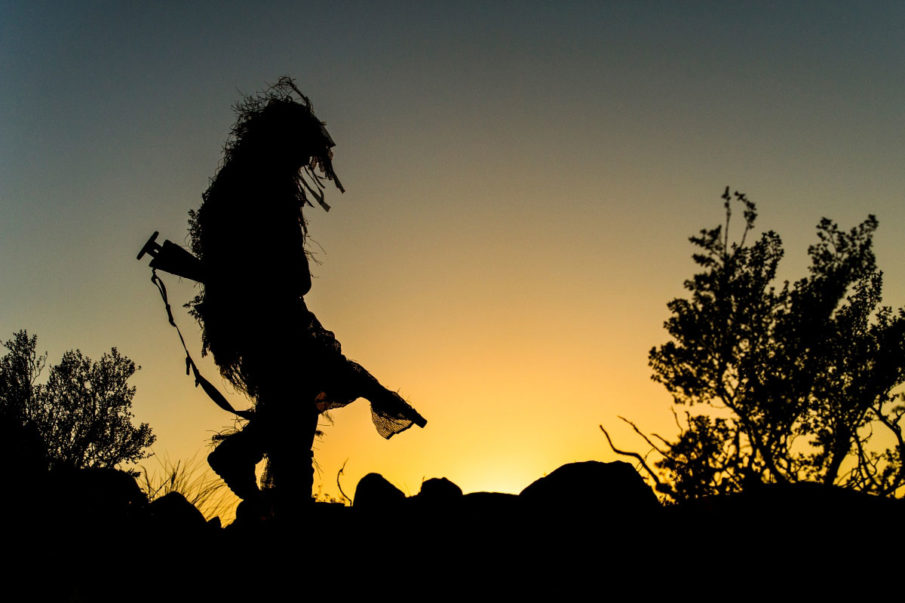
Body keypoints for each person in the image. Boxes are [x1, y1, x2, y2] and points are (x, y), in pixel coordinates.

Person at [188, 78, 426, 513]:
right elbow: (293, 277)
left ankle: (272, 494)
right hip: (271, 319)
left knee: (294, 409)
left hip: (252, 319)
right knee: (299, 411)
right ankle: (275, 501)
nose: (304, 162)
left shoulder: (238, 186)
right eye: (300, 151)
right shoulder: (266, 190)